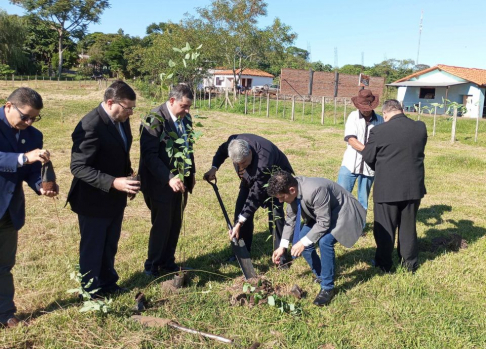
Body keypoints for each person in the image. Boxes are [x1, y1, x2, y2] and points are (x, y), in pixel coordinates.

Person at [67, 80, 140, 296]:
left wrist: (128, 176)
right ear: (110, 102)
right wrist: (113, 182)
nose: (131, 113)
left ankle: (108, 283)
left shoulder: (121, 119)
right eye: (128, 108)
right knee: (93, 248)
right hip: (92, 200)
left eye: (133, 108)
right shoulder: (91, 124)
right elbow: (78, 167)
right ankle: (90, 291)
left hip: (114, 199)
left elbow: (120, 151)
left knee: (110, 244)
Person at [0, 87, 58, 328]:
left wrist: (40, 186)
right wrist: (24, 157)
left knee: (3, 265)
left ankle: (5, 313)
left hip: (9, 210)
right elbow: (23, 161)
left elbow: (32, 171)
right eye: (25, 116)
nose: (29, 121)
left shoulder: (33, 135)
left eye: (34, 117)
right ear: (8, 106)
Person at [269, 171, 365, 306]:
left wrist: (304, 242)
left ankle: (327, 288)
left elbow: (324, 223)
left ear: (291, 190)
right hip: (322, 215)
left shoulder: (315, 190)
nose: (280, 201)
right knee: (302, 239)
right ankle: (322, 275)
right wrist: (282, 246)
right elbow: (291, 219)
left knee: (325, 241)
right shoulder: (293, 189)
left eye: (281, 197)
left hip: (342, 213)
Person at [204, 134, 294, 267]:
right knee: (240, 211)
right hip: (251, 178)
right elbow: (221, 151)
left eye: (244, 163)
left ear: (250, 152)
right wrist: (214, 167)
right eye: (238, 164)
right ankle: (242, 252)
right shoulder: (233, 143)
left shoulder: (264, 159)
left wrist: (240, 222)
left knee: (276, 217)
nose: (242, 167)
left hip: (275, 177)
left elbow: (255, 196)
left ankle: (281, 257)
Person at [362, 99, 427, 273]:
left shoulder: (378, 130)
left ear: (385, 114)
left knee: (385, 227)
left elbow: (368, 156)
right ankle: (409, 264)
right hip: (414, 187)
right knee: (408, 227)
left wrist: (383, 167)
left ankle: (384, 263)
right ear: (402, 110)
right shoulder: (420, 127)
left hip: (387, 187)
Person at [139, 84, 196, 277]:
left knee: (175, 222)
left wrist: (190, 174)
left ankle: (168, 262)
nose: (187, 111)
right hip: (159, 183)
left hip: (180, 183)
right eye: (183, 106)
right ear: (172, 101)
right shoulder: (154, 119)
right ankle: (152, 266)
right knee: (162, 224)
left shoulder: (185, 119)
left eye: (189, 107)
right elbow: (149, 156)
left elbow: (188, 147)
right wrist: (169, 178)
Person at [337, 89, 383, 212]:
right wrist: (369, 151)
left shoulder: (380, 121)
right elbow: (351, 140)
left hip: (369, 167)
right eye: (361, 106)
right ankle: (339, 226)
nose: (364, 109)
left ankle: (359, 227)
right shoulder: (353, 117)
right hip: (350, 164)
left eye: (366, 106)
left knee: (363, 200)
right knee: (341, 196)